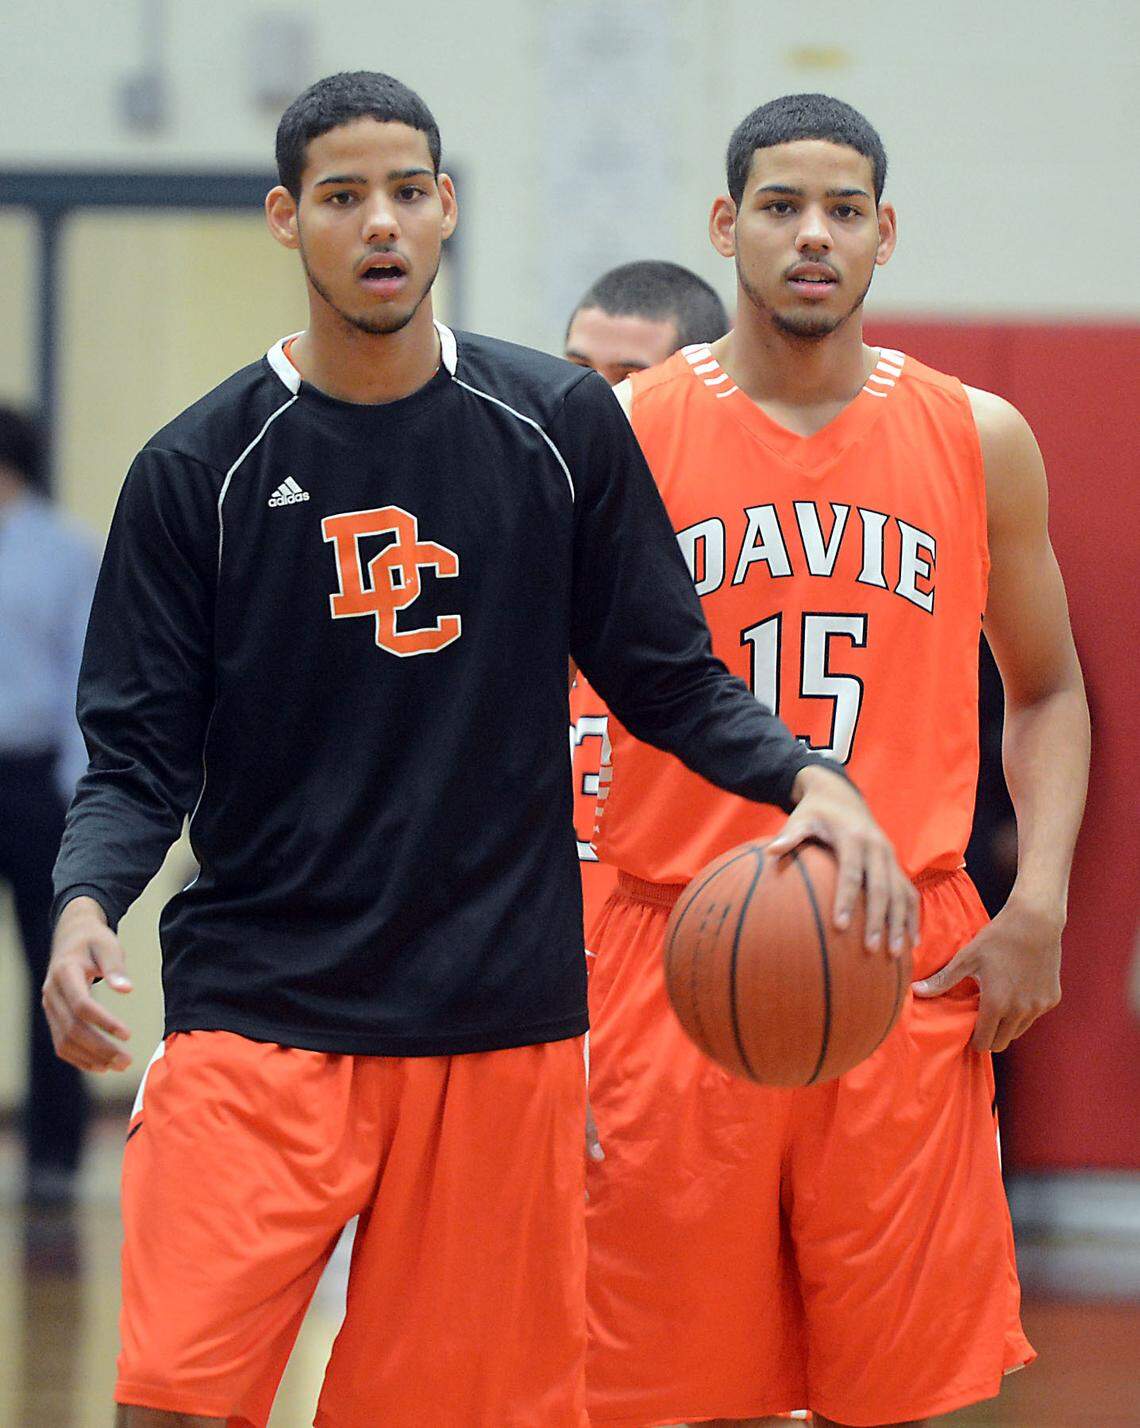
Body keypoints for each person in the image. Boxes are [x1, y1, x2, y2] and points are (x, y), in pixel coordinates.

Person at [41, 73, 915, 1428]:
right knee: (174, 1402)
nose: (378, 223)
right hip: (259, 1009)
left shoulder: (557, 430)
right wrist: (87, 902)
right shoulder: (195, 467)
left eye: (406, 192)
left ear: (446, 208)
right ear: (289, 219)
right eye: (342, 196)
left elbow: (668, 679)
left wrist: (815, 781)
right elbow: (137, 751)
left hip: (493, 1023)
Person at [585, 93, 1090, 1428]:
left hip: (901, 944)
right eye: (780, 206)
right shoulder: (625, 433)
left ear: (884, 235)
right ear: (725, 225)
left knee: (898, 1392)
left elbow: (1045, 691)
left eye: (843, 210)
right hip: (677, 940)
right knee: (668, 1396)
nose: (812, 235)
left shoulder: (978, 436)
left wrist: (1038, 904)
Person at [564, 261, 730, 944]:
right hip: (533, 997)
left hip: (679, 973)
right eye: (576, 370)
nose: (590, 405)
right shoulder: (517, 537)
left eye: (627, 377)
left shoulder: (733, 572)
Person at [0, 405, 99, 1207]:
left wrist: (75, 790)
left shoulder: (64, 552)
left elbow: (82, 676)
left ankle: (55, 1153)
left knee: (50, 967)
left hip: (32, 782)